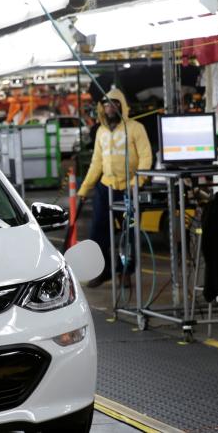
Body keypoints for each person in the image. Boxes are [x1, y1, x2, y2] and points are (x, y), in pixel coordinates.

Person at [78, 88, 152, 288]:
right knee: (97, 233)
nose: (109, 107)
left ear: (122, 106)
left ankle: (125, 273)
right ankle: (104, 272)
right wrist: (84, 190)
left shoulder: (135, 128)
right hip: (105, 188)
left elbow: (146, 156)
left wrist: (138, 182)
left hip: (128, 188)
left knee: (129, 234)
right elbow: (96, 162)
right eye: (106, 104)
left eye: (114, 103)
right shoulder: (101, 131)